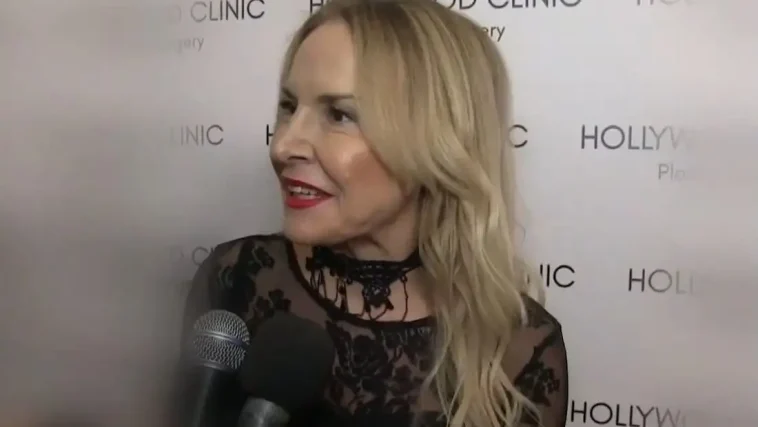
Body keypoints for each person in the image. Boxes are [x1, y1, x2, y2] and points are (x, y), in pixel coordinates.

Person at [184, 0, 568, 426]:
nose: (284, 145)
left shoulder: (519, 351)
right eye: (289, 107)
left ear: (437, 142)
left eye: (340, 115)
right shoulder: (237, 278)